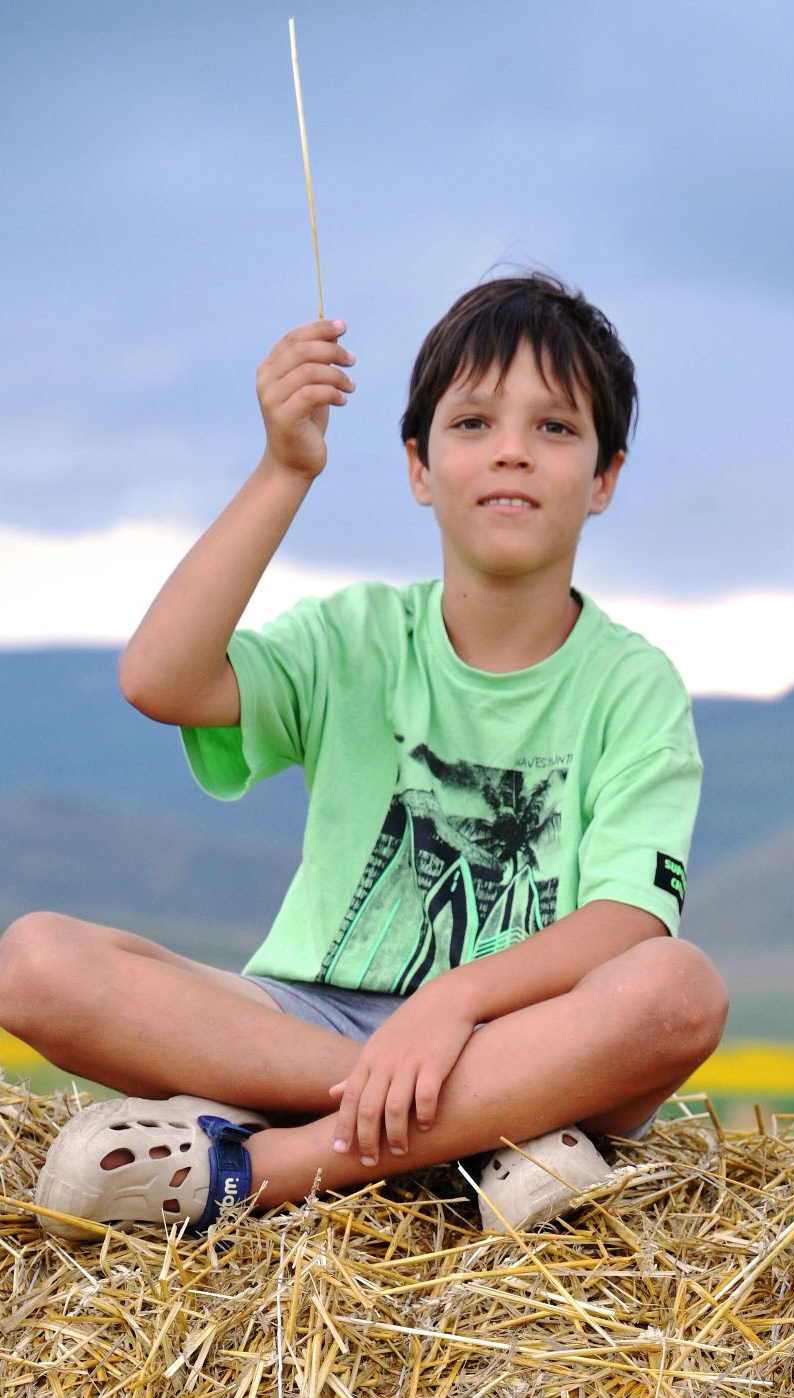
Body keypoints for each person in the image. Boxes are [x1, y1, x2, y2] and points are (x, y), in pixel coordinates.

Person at [0, 273, 728, 1239]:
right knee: (35, 960)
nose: (512, 448)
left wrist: (453, 1004)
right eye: (473, 423)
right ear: (419, 466)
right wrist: (283, 469)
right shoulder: (355, 635)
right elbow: (159, 679)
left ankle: (271, 1164)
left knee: (680, 991)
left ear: (605, 477)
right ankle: (483, 1136)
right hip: (302, 1022)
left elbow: (630, 918)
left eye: (555, 427)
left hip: (525, 1032)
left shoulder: (634, 685)